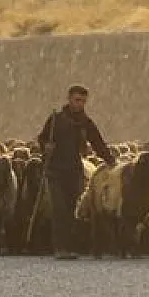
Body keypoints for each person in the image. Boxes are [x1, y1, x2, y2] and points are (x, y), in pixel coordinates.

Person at [36, 84, 118, 260]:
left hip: (73, 170)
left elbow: (97, 143)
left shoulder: (85, 123)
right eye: (76, 100)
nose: (79, 104)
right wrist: (46, 147)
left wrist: (110, 160)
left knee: (72, 208)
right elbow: (42, 138)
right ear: (69, 99)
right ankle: (60, 247)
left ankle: (70, 246)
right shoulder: (55, 120)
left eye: (82, 101)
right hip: (55, 170)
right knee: (59, 209)